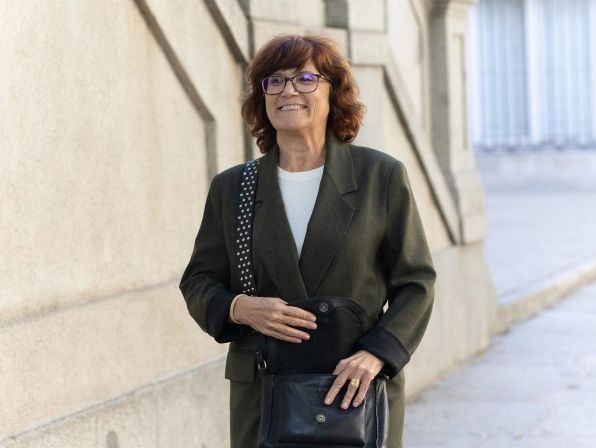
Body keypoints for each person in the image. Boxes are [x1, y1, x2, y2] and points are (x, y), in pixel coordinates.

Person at [179, 34, 436, 448]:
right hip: (264, 395)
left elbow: (416, 282)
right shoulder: (233, 187)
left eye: (305, 79)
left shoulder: (380, 176)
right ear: (262, 97)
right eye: (274, 81)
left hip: (354, 392)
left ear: (334, 91)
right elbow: (198, 281)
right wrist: (240, 308)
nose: (288, 91)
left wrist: (377, 355)